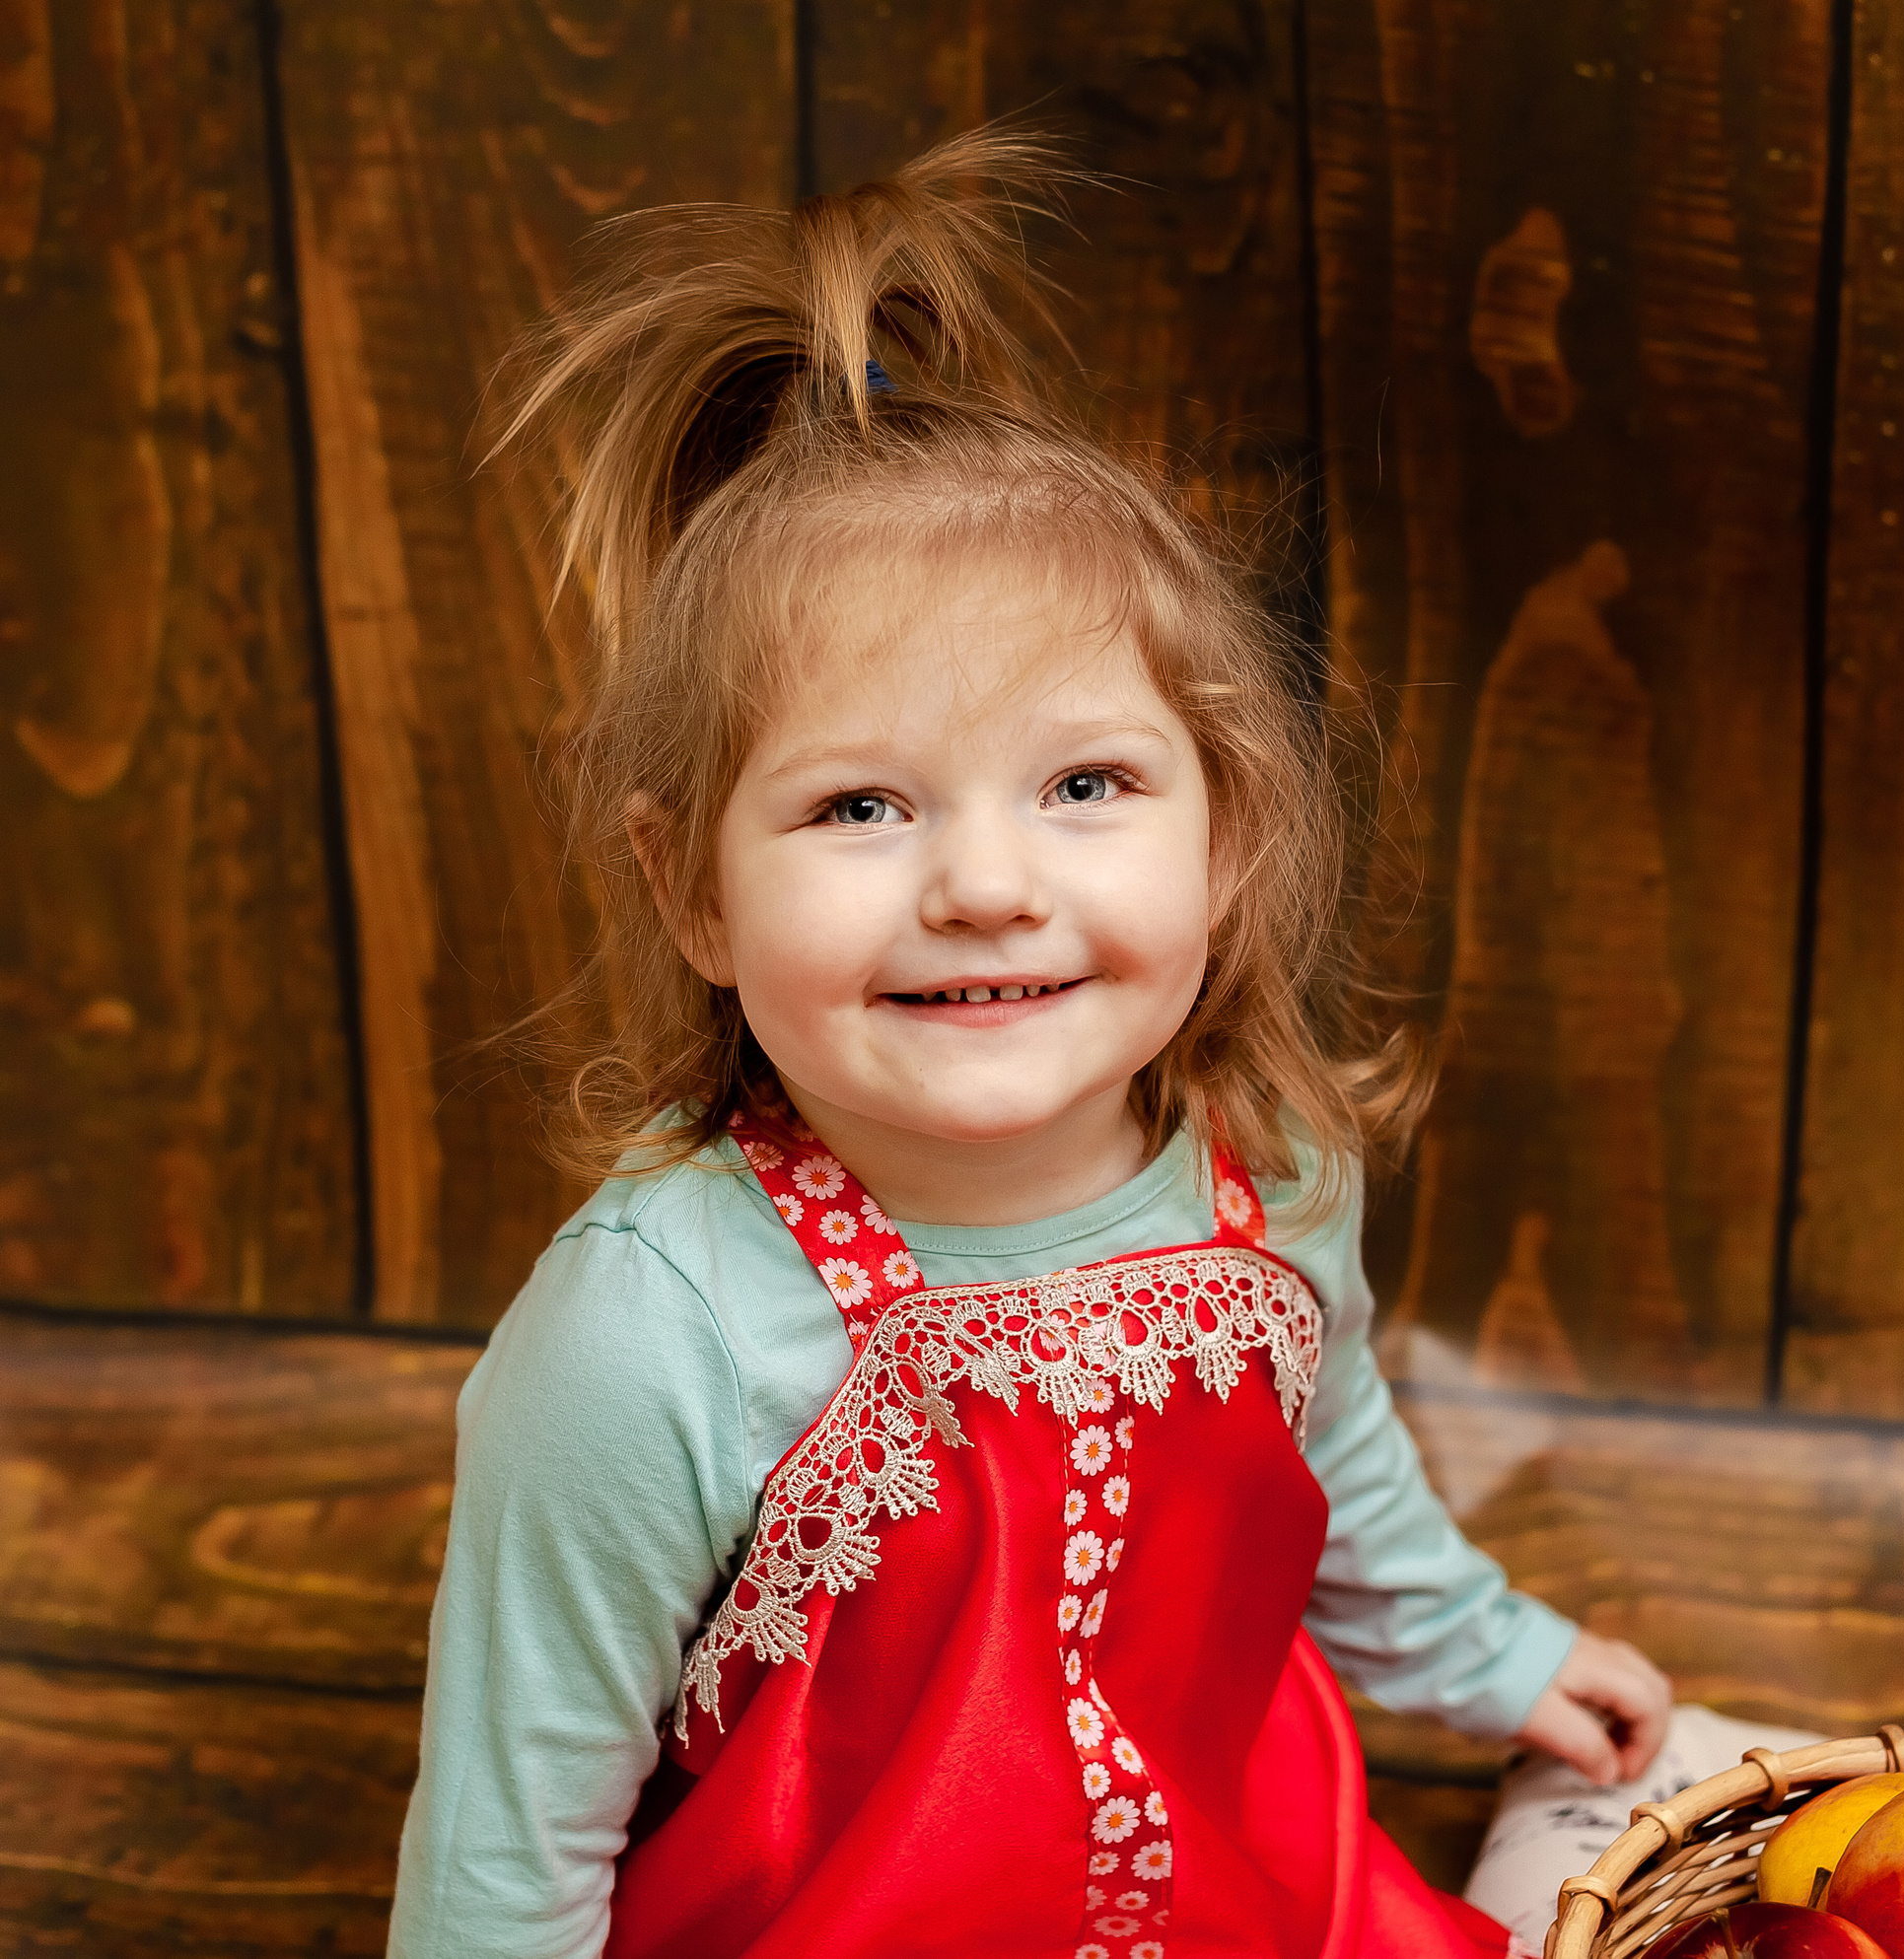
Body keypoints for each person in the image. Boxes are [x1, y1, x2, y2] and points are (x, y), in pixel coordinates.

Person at [386, 127, 1672, 1959]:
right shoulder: (640, 1336)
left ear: (1223, 835)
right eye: (856, 808)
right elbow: (512, 1833)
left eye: (1086, 783)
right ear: (693, 897)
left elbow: (1343, 1453)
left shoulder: (1272, 1168)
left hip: (1250, 1892)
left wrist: (1489, 1653)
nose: (986, 885)